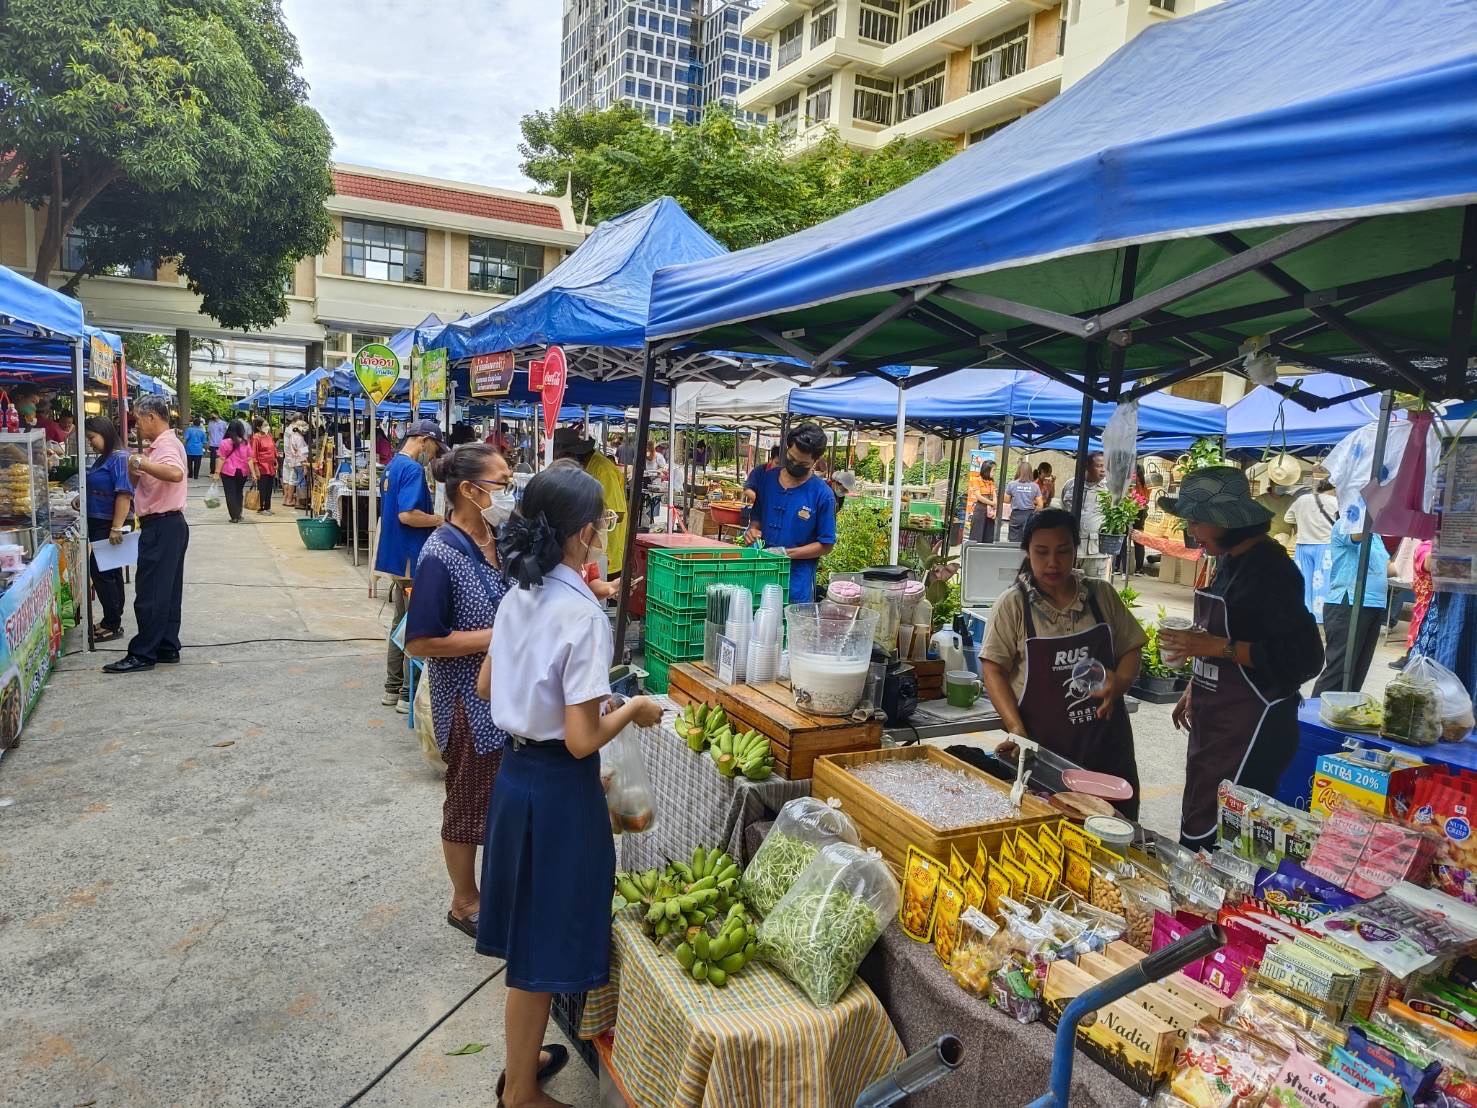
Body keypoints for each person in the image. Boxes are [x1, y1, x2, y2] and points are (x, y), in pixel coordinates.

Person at [474, 462, 663, 1108]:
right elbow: (583, 739)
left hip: (516, 777)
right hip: (557, 790)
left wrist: (557, 703)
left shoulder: (518, 592)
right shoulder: (581, 616)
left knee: (529, 949)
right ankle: (520, 1092)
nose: (607, 532)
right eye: (606, 523)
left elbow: (486, 687)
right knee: (541, 948)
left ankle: (522, 1066)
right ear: (583, 534)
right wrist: (633, 710)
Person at [1159, 467, 1324, 850]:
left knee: (1230, 841)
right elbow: (1225, 635)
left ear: (1226, 522)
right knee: (1201, 816)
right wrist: (1195, 685)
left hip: (1257, 726)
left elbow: (1302, 658)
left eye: (1198, 521)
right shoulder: (1229, 560)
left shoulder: (1273, 571)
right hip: (1218, 717)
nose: (1192, 531)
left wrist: (1214, 649)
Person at [404, 445, 516, 937]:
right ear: (470, 490)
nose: (508, 492)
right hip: (468, 703)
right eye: (502, 483)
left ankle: (495, 891)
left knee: (499, 801)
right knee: (467, 800)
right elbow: (421, 641)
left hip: (507, 698)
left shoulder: (499, 537)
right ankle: (464, 902)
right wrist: (500, 635)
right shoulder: (439, 555)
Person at [981, 509, 1146, 819]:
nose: (1052, 563)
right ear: (1027, 552)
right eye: (1041, 552)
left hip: (1108, 751)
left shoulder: (1101, 596)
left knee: (1114, 838)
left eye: (1063, 551)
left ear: (1076, 550)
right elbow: (992, 668)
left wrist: (1120, 682)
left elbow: (1132, 646)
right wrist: (1016, 728)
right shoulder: (1014, 604)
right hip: (1046, 758)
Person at [104, 396, 187, 674]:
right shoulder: (160, 446)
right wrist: (137, 467)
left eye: (139, 420)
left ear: (152, 416)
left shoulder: (166, 445)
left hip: (163, 525)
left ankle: (143, 652)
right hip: (166, 525)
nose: (137, 426)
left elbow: (175, 474)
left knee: (151, 591)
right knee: (166, 589)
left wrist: (142, 461)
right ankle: (165, 644)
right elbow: (143, 481)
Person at [377, 420, 447, 714]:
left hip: (394, 555)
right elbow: (408, 515)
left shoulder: (392, 466)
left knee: (400, 622)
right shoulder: (413, 469)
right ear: (423, 440)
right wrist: (440, 520)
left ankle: (393, 689)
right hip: (409, 557)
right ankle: (407, 693)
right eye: (433, 449)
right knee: (413, 626)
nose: (433, 457)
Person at [743, 423, 837, 604]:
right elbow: (756, 521)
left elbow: (826, 545)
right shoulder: (767, 480)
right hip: (760, 574)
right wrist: (752, 532)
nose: (794, 465)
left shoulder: (822, 495)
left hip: (796, 583)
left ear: (815, 461)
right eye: (791, 458)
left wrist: (786, 553)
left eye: (802, 463)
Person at [1312, 501, 1393, 695]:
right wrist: (1375, 503)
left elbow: (1388, 567)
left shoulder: (1377, 536)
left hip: (1374, 605)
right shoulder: (1344, 526)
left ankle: (1342, 718)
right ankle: (1312, 718)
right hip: (1348, 604)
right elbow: (1357, 535)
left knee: (1357, 672)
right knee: (1339, 670)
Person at [552, 426, 628, 575]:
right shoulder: (583, 468)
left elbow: (618, 514)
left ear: (571, 455)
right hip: (585, 550)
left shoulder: (602, 470)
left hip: (606, 551)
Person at [84, 416, 133, 643]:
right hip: (98, 521)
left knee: (102, 572)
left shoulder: (120, 459)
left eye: (92, 437)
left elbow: (124, 493)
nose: (90, 442)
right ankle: (111, 620)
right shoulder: (103, 458)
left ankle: (112, 623)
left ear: (105, 433)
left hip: (110, 523)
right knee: (109, 572)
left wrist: (116, 527)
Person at [1284, 479, 1338, 622]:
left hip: (1302, 545)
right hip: (1325, 546)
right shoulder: (1334, 502)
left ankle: (1303, 613)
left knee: (1303, 581)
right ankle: (1320, 617)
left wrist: (1304, 521)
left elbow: (1287, 518)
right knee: (1322, 582)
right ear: (1332, 489)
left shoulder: (1301, 499)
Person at [1060, 452, 1107, 553]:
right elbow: (1063, 509)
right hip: (1072, 546)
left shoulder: (1109, 489)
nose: (1103, 470)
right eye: (1099, 466)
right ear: (1087, 466)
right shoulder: (1071, 485)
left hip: (1096, 550)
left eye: (1105, 466)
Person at [217, 420, 252, 523]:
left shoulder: (225, 442)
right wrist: (253, 473)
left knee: (230, 493)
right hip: (242, 472)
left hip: (228, 471)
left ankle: (234, 516)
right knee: (238, 492)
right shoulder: (245, 443)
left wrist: (216, 473)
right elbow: (249, 459)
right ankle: (239, 513)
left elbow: (221, 458)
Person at [1004, 460, 1042, 544]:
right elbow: (1040, 505)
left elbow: (1006, 500)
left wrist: (1015, 499)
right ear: (1030, 472)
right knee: (1028, 540)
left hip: (1016, 515)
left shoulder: (1012, 484)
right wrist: (1034, 512)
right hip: (1029, 515)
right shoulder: (1035, 486)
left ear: (1019, 471)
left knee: (1013, 541)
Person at [248, 417, 279, 515]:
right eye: (264, 425)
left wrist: (276, 461)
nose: (267, 427)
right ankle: (262, 507)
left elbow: (273, 449)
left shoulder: (269, 435)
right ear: (258, 427)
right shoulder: (256, 437)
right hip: (261, 466)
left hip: (271, 465)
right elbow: (254, 455)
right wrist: (256, 470)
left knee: (269, 487)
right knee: (263, 488)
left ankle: (267, 507)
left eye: (267, 425)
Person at [967, 459, 997, 543]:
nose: (994, 472)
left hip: (990, 511)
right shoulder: (977, 480)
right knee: (977, 534)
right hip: (980, 509)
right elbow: (979, 496)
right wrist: (991, 503)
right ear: (987, 470)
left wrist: (994, 508)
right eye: (993, 470)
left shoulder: (991, 481)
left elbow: (994, 494)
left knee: (988, 535)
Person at [1128, 465, 1151, 574]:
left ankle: (1137, 568)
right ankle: (1137, 569)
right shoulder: (1142, 482)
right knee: (1131, 538)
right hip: (1134, 510)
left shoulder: (1141, 483)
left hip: (1135, 511)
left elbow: (1145, 499)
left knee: (1133, 539)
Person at [282, 421, 309, 510]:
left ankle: (298, 501)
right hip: (300, 462)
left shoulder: (293, 436)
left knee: (298, 481)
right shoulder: (299, 438)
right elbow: (302, 453)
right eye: (305, 427)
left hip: (295, 462)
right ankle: (300, 502)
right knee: (301, 482)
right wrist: (305, 465)